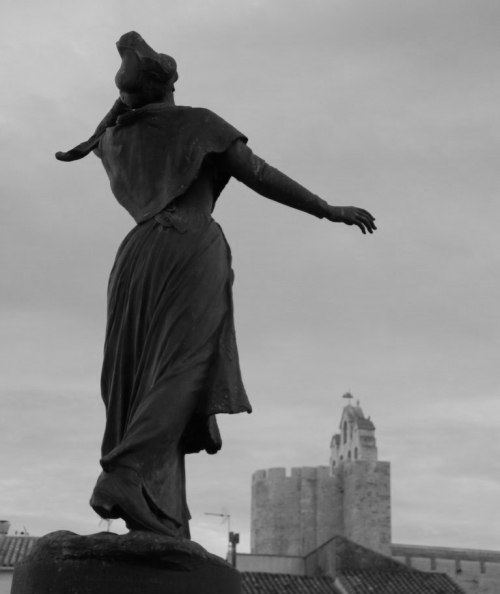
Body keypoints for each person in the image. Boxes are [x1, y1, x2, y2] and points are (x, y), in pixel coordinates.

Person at [56, 31, 376, 538]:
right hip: (189, 245)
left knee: (136, 374)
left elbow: (102, 129)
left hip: (136, 256)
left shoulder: (113, 141)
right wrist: (327, 209)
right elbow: (259, 173)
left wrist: (121, 103)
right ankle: (126, 473)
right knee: (184, 366)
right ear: (170, 84)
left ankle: (163, 510)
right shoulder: (197, 124)